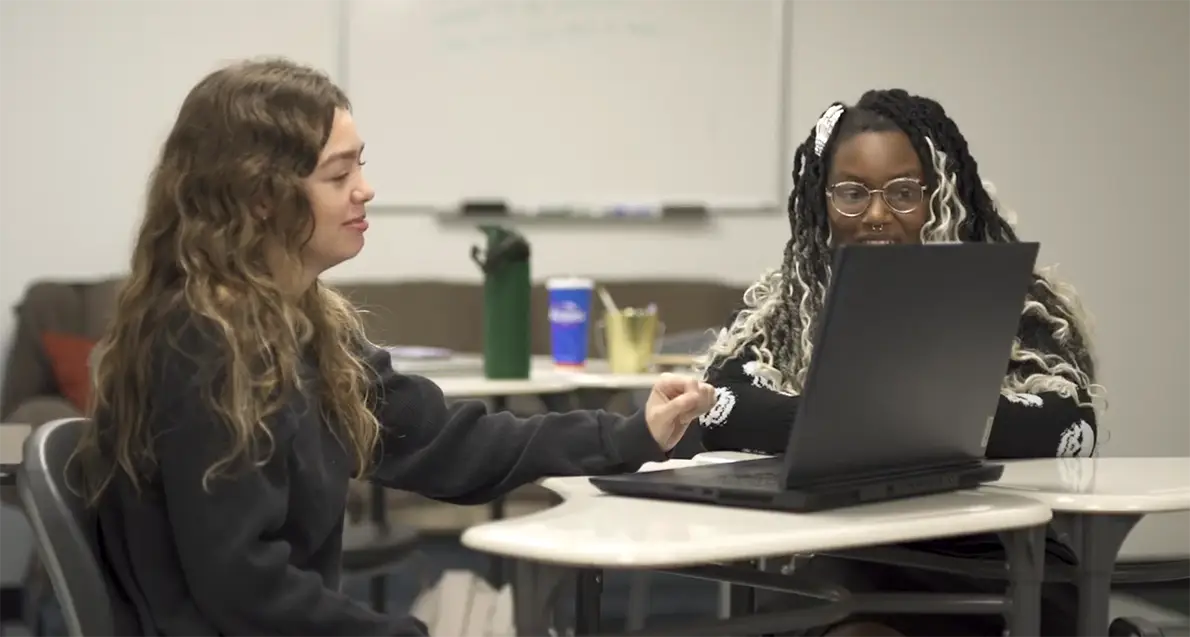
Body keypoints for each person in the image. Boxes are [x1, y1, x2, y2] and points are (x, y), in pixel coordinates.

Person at [69, 58, 715, 637]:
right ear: (261, 198)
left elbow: (451, 443)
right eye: (338, 172)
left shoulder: (308, 327)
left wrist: (633, 432)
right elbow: (243, 585)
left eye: (361, 164)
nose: (365, 188)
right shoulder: (201, 340)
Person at [695, 89, 1102, 637]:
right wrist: (915, 425)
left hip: (999, 554)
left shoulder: (1016, 300)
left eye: (904, 192)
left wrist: (847, 430)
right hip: (856, 553)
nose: (878, 214)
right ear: (824, 203)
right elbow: (720, 407)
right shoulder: (794, 304)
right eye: (852, 193)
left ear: (940, 196)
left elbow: (1068, 424)